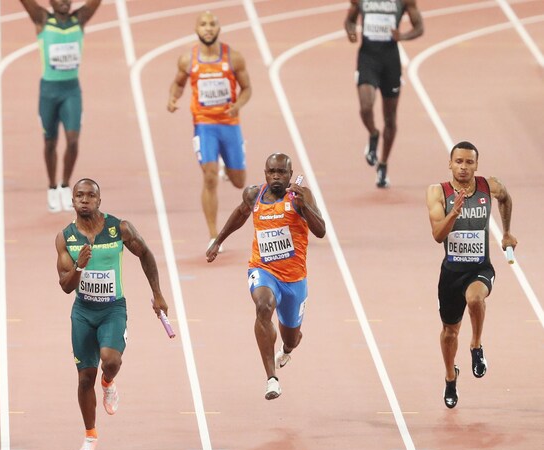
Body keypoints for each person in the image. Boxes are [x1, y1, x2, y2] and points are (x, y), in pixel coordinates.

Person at [55, 179, 169, 450]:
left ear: (99, 200)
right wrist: (80, 265)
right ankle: (90, 436)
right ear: (72, 201)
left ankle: (108, 382)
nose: (84, 200)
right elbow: (66, 286)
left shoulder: (120, 228)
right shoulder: (65, 237)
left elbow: (146, 254)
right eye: (79, 195)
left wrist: (158, 294)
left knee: (111, 360)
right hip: (83, 311)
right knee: (84, 379)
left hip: (112, 309)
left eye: (90, 195)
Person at [206, 153, 326, 400]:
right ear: (265, 173)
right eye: (271, 171)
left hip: (294, 279)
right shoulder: (254, 195)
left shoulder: (301, 196)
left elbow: (321, 231)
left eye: (281, 172)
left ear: (290, 175)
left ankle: (287, 349)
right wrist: (218, 241)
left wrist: (305, 207)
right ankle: (272, 379)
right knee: (263, 307)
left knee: (292, 338)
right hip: (263, 270)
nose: (276, 176)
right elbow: (240, 215)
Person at [425, 141, 515, 409]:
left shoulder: (489, 186)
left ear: (477, 165)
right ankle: (451, 377)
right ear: (450, 164)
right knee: (449, 333)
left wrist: (507, 231)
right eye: (459, 162)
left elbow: (506, 198)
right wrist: (454, 212)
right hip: (451, 273)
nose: (463, 167)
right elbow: (437, 235)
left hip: (480, 268)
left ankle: (476, 347)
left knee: (476, 299)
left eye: (469, 162)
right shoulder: (437, 192)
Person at [167, 11, 252, 252]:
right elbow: (178, 83)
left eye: (212, 24)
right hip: (204, 125)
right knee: (210, 175)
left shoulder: (233, 58)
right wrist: (173, 98)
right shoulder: (188, 60)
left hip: (230, 125)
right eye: (203, 24)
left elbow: (247, 88)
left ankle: (229, 162)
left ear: (219, 28)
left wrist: (238, 105)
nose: (207, 28)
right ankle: (214, 235)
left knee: (239, 183)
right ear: (196, 29)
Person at [16, 0, 102, 213]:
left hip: (71, 91)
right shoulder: (42, 19)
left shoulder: (79, 19)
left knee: (72, 141)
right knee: (50, 142)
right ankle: (52, 187)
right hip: (48, 92)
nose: (64, 2)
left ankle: (65, 184)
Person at [344, 0, 423, 188]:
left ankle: (383, 164)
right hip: (368, 58)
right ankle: (373, 133)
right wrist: (351, 31)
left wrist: (403, 36)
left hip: (391, 61)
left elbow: (419, 27)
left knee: (390, 118)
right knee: (365, 106)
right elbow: (349, 20)